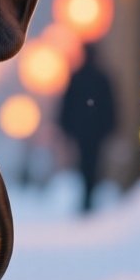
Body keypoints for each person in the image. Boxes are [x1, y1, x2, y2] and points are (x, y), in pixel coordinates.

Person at [57, 42, 117, 215]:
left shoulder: (79, 77)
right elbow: (110, 106)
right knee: (92, 164)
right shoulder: (101, 78)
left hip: (83, 131)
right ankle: (88, 197)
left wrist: (66, 127)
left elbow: (67, 106)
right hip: (94, 131)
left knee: (86, 164)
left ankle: (88, 197)